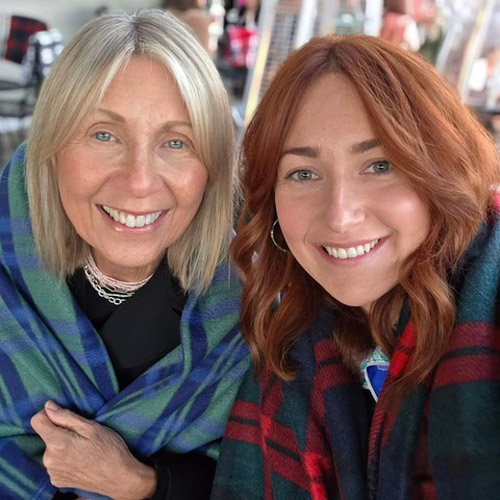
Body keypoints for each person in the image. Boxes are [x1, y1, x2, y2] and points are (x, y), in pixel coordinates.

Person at [212, 34, 500, 499]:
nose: (340, 216)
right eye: (303, 174)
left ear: (443, 168)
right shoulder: (291, 349)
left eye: (380, 165)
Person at [0, 9, 250, 499]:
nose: (139, 181)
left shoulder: (251, 317)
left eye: (176, 142)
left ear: (212, 168)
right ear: (51, 147)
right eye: (104, 135)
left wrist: (138, 483)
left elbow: (256, 480)